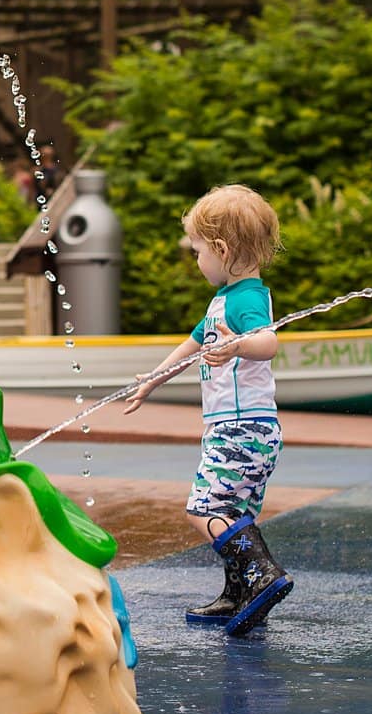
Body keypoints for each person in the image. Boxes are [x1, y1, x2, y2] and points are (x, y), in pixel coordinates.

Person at [124, 183, 291, 636]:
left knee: (203, 510)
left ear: (221, 248)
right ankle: (238, 593)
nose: (196, 261)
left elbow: (269, 342)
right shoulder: (223, 300)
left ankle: (262, 574)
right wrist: (153, 380)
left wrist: (238, 343)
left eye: (198, 251)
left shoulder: (247, 299)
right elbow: (191, 345)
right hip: (244, 428)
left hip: (240, 429)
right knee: (235, 514)